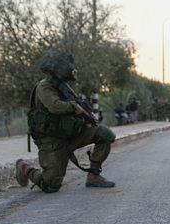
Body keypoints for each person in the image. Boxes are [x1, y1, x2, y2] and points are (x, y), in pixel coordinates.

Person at [15, 53, 116, 193]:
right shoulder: (44, 87)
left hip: (71, 134)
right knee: (51, 185)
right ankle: (25, 169)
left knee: (104, 134)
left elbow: (74, 108)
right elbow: (54, 106)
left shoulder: (63, 87)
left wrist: (86, 116)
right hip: (52, 139)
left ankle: (93, 176)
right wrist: (74, 107)